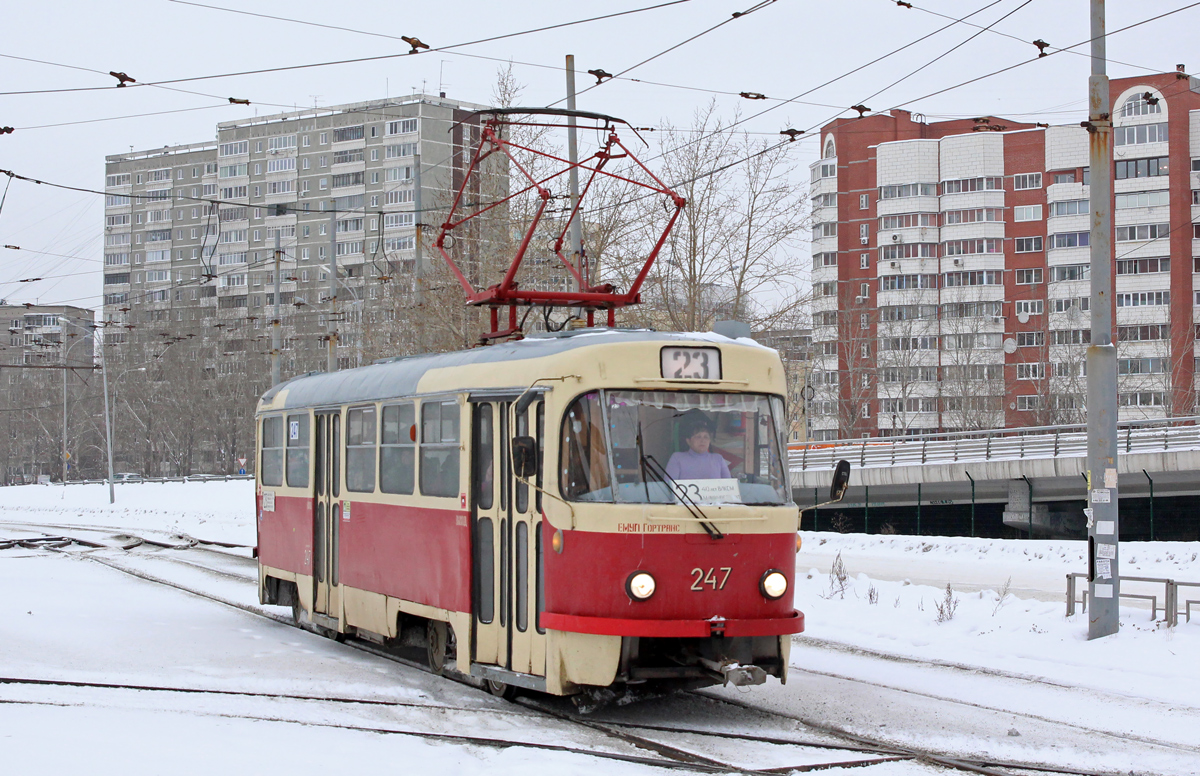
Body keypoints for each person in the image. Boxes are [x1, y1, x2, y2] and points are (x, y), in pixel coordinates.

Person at [666, 417, 731, 480]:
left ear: (709, 441)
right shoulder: (677, 458)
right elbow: (669, 485)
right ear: (688, 441)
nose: (702, 441)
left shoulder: (718, 459)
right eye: (698, 437)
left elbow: (729, 485)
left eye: (706, 437)